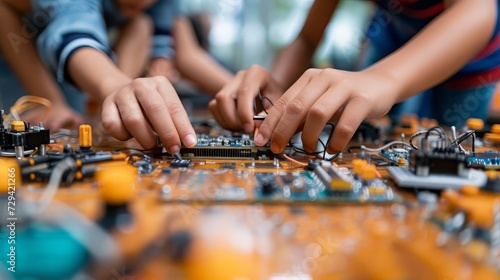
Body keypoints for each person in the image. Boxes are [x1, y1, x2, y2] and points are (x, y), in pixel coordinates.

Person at [210, 0, 500, 155]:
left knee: (454, 143)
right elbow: (307, 39)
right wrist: (276, 86)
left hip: (474, 53)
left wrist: (385, 80)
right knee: (375, 128)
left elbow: (476, 10)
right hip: (392, 36)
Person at [0, 0, 197, 152]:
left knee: (141, 23)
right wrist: (47, 97)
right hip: (19, 75)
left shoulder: (150, 11)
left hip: (79, 80)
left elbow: (187, 53)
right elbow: (75, 33)